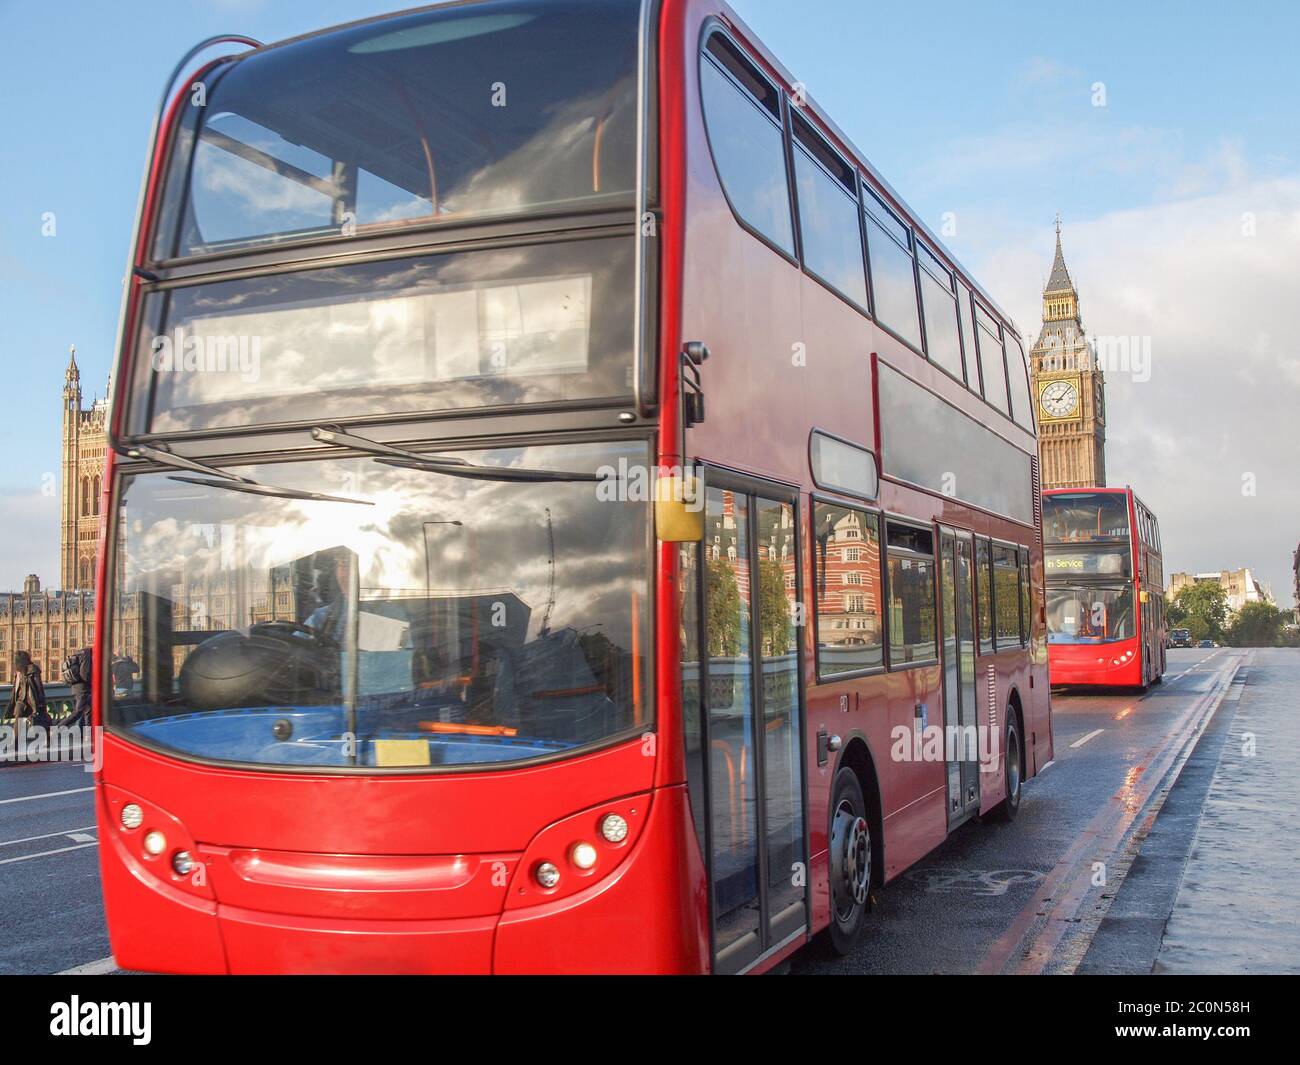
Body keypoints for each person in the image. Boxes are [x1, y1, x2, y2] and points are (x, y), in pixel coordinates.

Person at [7, 651, 52, 731]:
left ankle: (49, 738)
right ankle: (15, 742)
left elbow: (39, 687)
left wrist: (41, 702)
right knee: (18, 720)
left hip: (32, 700)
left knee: (40, 720)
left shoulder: (33, 669)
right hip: (21, 700)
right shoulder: (19, 672)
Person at [61, 646, 93, 727]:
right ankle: (56, 729)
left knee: (88, 711)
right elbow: (85, 675)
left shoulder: (78, 654)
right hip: (82, 688)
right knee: (78, 712)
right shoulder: (87, 655)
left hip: (76, 687)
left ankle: (87, 735)